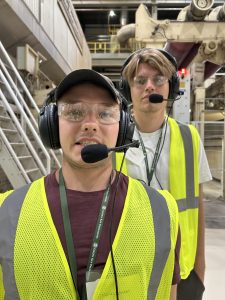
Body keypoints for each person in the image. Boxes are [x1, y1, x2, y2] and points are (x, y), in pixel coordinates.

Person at [0, 69, 180, 299]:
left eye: (105, 113)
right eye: (74, 112)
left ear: (123, 127)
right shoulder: (6, 212)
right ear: (52, 125)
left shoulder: (162, 211)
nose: (90, 125)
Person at [117, 48, 212, 300]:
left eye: (158, 79)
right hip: (129, 267)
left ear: (170, 87)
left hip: (182, 267)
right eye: (140, 81)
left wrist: (200, 268)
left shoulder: (189, 138)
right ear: (128, 89)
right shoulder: (113, 139)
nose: (150, 86)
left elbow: (198, 205)